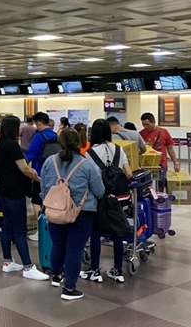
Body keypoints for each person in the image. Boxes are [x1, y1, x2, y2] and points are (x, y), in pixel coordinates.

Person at [40, 128, 105, 301]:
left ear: (60, 143)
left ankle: (56, 277)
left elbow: (44, 188)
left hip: (55, 211)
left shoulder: (49, 162)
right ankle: (69, 289)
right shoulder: (87, 165)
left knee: (58, 246)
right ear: (79, 143)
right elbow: (99, 191)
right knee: (74, 251)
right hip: (82, 214)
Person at [0, 116, 48, 280]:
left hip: (5, 192)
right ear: (12, 128)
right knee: (20, 229)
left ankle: (7, 262)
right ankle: (28, 266)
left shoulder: (2, 145)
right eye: (18, 126)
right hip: (14, 193)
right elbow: (24, 168)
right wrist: (39, 179)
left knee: (7, 226)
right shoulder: (12, 146)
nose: (21, 129)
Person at [82, 119, 133, 284]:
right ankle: (117, 270)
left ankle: (95, 270)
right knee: (117, 232)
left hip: (98, 199)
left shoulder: (89, 153)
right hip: (118, 199)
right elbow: (129, 173)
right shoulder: (119, 149)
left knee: (95, 232)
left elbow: (88, 178)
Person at [24, 112, 58, 241]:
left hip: (40, 175)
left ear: (39, 123)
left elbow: (30, 154)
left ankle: (41, 230)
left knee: (36, 201)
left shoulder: (39, 136)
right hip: (56, 175)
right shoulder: (55, 135)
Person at [140, 113, 180, 190]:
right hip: (146, 165)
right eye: (143, 125)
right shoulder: (141, 134)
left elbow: (170, 149)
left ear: (153, 122)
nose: (145, 127)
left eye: (147, 124)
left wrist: (176, 163)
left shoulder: (164, 132)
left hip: (161, 165)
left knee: (160, 185)